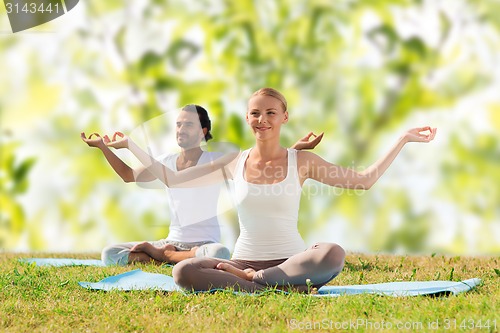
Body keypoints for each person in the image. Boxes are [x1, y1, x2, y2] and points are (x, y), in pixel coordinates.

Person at [105, 88, 436, 291]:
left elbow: (363, 180)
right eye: (255, 113)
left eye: (270, 112)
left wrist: (403, 139)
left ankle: (257, 282)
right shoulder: (233, 162)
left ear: (284, 118)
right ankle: (267, 284)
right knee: (183, 272)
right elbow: (173, 178)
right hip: (243, 259)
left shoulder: (302, 161)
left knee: (332, 252)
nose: (262, 119)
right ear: (248, 119)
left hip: (290, 261)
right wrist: (130, 145)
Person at [81, 104, 323, 266]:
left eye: (188, 125)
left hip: (204, 246)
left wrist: (295, 151)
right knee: (110, 254)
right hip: (173, 241)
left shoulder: (214, 160)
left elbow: (261, 164)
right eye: (178, 124)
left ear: (202, 131)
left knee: (220, 254)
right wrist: (103, 147)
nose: (180, 129)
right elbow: (127, 174)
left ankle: (163, 257)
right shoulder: (165, 161)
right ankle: (168, 255)